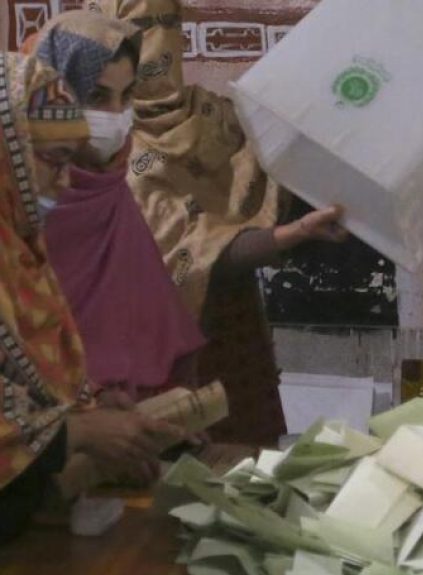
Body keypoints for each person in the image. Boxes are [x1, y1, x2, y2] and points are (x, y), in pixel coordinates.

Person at [87, 0, 346, 446]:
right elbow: (176, 253)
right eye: (138, 27)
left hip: (231, 330)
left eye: (162, 25)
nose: (153, 43)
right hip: (141, 354)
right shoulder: (91, 141)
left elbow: (274, 191)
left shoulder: (215, 117)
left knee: (240, 470)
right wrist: (287, 236)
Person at [0, 53, 180, 542]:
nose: (64, 182)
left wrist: (89, 413)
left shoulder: (19, 249)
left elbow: (29, 376)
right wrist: (78, 435)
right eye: (54, 162)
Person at [27, 10, 206, 400]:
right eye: (95, 97)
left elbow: (148, 313)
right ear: (52, 92)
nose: (115, 116)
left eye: (126, 97)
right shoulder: (21, 197)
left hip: (130, 423)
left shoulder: (112, 191)